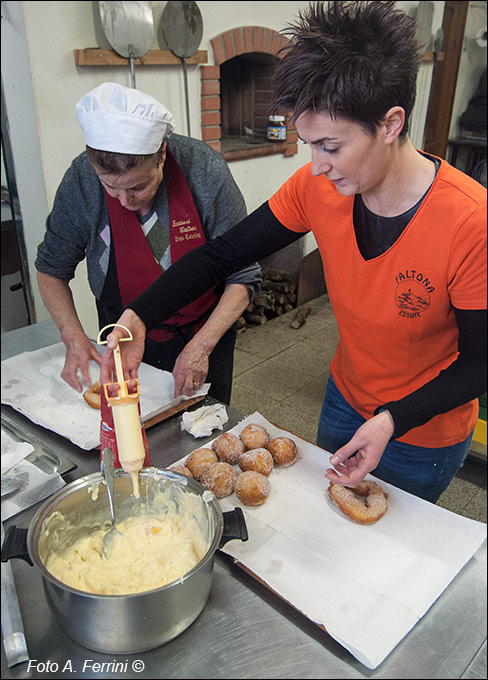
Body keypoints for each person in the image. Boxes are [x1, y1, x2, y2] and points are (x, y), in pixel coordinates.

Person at [101, 1, 487, 503]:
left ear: (391, 123)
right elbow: (222, 256)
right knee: (330, 511)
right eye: (307, 144)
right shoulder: (318, 188)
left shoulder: (469, 221)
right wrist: (137, 318)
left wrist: (393, 419)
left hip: (424, 428)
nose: (316, 165)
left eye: (330, 145)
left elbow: (480, 360)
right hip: (346, 399)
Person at [35, 82, 261, 404]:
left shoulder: (205, 171)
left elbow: (243, 274)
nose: (125, 201)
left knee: (201, 428)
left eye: (138, 187)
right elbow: (50, 269)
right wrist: (72, 336)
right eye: (111, 187)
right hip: (122, 334)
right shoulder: (81, 181)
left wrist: (203, 346)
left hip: (202, 331)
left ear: (161, 155)